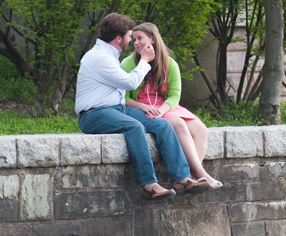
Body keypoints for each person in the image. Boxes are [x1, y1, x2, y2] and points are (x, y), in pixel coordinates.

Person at [75, 13, 212, 200]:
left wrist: (144, 107)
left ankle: (182, 179)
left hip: (117, 109)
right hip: (94, 114)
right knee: (135, 126)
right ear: (118, 38)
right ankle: (149, 185)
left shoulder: (110, 55)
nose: (131, 41)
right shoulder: (100, 57)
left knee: (163, 124)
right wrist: (145, 60)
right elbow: (130, 83)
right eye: (130, 36)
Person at [121, 22, 222, 189]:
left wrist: (161, 110)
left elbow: (174, 95)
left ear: (152, 39)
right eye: (134, 39)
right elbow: (123, 98)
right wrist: (143, 107)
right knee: (179, 124)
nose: (135, 42)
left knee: (201, 130)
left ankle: (190, 177)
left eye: (140, 38)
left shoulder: (170, 64)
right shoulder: (128, 63)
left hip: (165, 107)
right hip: (141, 107)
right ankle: (200, 174)